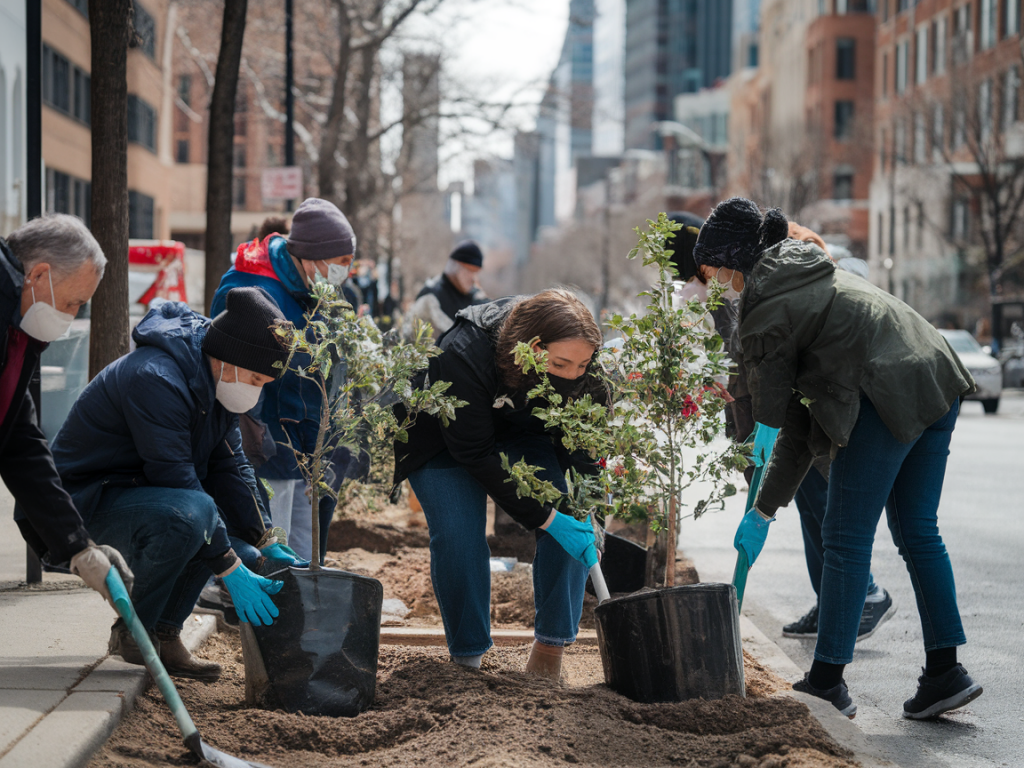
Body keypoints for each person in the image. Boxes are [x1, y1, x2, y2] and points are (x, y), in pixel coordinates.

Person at [693, 197, 980, 720]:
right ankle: (946, 672)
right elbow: (800, 430)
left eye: (710, 271)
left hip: (883, 392)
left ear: (730, 261)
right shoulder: (807, 271)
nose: (712, 285)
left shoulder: (765, 308)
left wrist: (758, 496)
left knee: (845, 537)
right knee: (918, 531)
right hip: (936, 373)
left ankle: (826, 682)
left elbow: (773, 420)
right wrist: (764, 510)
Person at [51, 287, 293, 681]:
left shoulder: (216, 387)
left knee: (225, 534)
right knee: (197, 516)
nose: (255, 391)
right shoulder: (156, 378)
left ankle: (164, 634)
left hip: (139, 496)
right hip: (79, 505)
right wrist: (228, 565)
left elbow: (232, 467)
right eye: (255, 379)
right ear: (229, 359)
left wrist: (266, 536)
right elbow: (175, 475)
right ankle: (135, 631)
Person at [392, 289, 605, 679]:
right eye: (561, 364)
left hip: (523, 432)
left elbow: (585, 449)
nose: (574, 375)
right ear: (534, 348)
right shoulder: (463, 352)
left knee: (574, 520)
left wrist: (593, 514)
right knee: (458, 535)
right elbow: (474, 453)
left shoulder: (583, 363)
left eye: (583, 365)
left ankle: (549, 653)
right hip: (444, 436)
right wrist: (546, 518)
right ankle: (468, 660)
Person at [211, 197, 356, 562]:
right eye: (341, 261)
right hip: (267, 441)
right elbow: (237, 374)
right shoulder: (256, 289)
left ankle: (300, 597)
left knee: (304, 545)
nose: (346, 271)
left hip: (302, 439)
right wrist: (263, 443)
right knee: (274, 542)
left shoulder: (308, 288)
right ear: (311, 255)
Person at [1, 214, 133, 606]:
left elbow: (21, 445)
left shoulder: (16, 333)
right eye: (73, 302)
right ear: (39, 275)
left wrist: (78, 546)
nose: (72, 315)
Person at [780, 227, 894, 641]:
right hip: (813, 417)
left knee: (831, 519)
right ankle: (829, 600)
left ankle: (866, 595)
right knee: (814, 514)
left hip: (829, 422)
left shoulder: (826, 298)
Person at [406, 240, 488, 340]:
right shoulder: (431, 296)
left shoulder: (477, 296)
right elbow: (409, 337)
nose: (473, 278)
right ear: (454, 265)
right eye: (469, 270)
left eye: (476, 272)